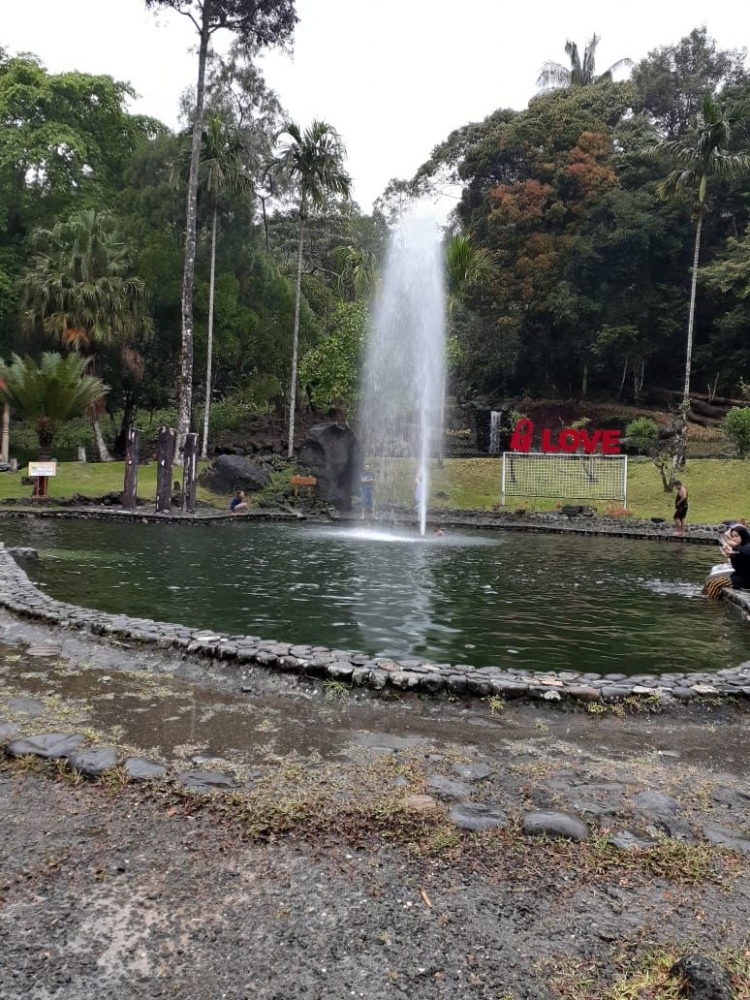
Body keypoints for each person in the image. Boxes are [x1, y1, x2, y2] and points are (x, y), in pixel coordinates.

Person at [703, 523, 750, 597]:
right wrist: (731, 555)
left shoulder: (747, 546)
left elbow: (747, 552)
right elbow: (737, 567)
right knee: (709, 582)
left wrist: (735, 546)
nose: (734, 539)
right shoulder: (740, 548)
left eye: (737, 536)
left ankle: (711, 605)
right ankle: (706, 600)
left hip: (745, 580)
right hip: (738, 577)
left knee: (715, 584)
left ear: (743, 535)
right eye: (733, 536)